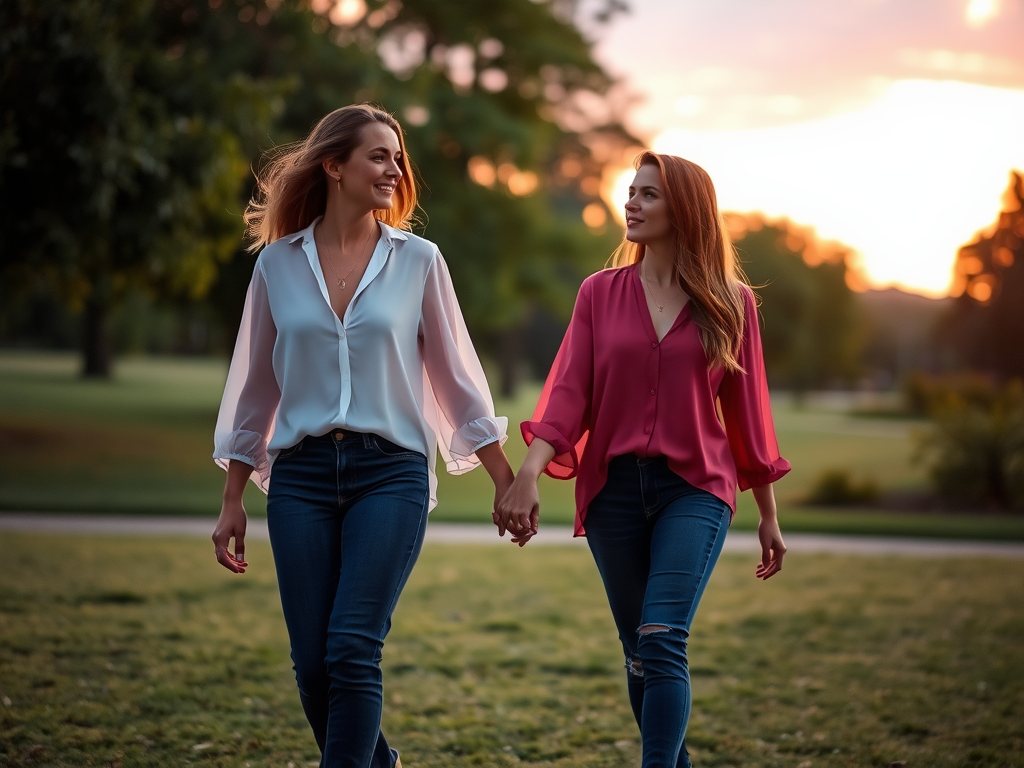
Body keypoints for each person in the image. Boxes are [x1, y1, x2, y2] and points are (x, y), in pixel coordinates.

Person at [210, 104, 514, 768]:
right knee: (314, 664)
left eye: (397, 157)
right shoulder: (276, 267)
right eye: (379, 155)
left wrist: (503, 476)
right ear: (334, 165)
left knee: (352, 647)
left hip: (391, 474)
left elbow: (456, 376)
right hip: (301, 478)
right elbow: (257, 387)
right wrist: (233, 497)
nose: (395, 168)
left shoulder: (419, 262)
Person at [497, 152, 791, 767]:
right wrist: (529, 471)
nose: (631, 203)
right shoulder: (599, 294)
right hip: (614, 494)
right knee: (641, 650)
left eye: (648, 194)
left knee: (661, 637)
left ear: (684, 208)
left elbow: (747, 416)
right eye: (631, 192)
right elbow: (571, 391)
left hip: (696, 489)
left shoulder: (731, 303)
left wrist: (768, 513)